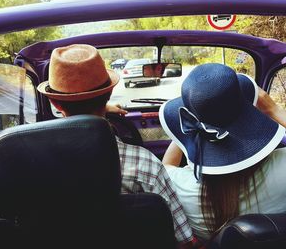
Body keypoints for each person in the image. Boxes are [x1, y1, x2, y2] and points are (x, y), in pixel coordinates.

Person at [37, 44, 194, 248]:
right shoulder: (145, 165)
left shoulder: (32, 168)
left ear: (55, 103)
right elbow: (185, 241)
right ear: (109, 93)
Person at [158, 63, 286, 243]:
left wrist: (184, 132)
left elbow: (166, 167)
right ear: (249, 110)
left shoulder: (181, 187)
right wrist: (274, 110)